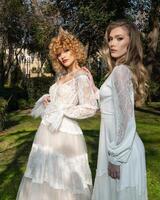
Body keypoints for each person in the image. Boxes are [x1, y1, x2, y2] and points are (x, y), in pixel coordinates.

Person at [16, 28, 98, 200]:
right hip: (47, 131)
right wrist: (49, 101)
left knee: (63, 178)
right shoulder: (61, 76)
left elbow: (90, 108)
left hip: (66, 134)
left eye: (66, 50)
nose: (63, 56)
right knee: (44, 175)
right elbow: (57, 100)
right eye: (59, 53)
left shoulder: (81, 76)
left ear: (75, 50)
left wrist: (61, 108)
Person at [92, 20, 148, 200]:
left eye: (119, 38)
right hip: (117, 149)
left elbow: (126, 119)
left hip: (122, 153)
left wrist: (116, 157)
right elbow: (111, 107)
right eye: (110, 39)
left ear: (130, 42)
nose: (112, 43)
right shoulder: (117, 70)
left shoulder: (121, 71)